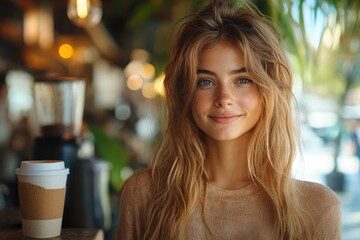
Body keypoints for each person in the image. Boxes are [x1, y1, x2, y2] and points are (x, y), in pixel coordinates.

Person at [117, 0, 341, 239]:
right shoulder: (144, 195)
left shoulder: (317, 209)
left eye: (242, 80)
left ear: (269, 90)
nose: (224, 98)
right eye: (206, 81)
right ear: (186, 94)